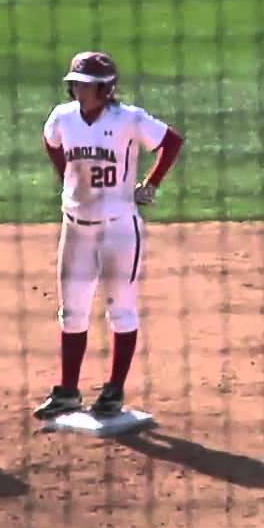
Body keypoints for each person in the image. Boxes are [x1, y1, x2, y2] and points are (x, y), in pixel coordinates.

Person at [32, 51, 184, 420]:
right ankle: (68, 391)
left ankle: (114, 391)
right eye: (75, 84)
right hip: (75, 228)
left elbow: (172, 141)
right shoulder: (63, 117)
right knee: (72, 312)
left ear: (104, 88)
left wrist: (150, 184)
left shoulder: (128, 119)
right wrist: (66, 174)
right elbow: (50, 141)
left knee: (121, 310)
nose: (77, 90)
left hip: (119, 230)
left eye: (84, 85)